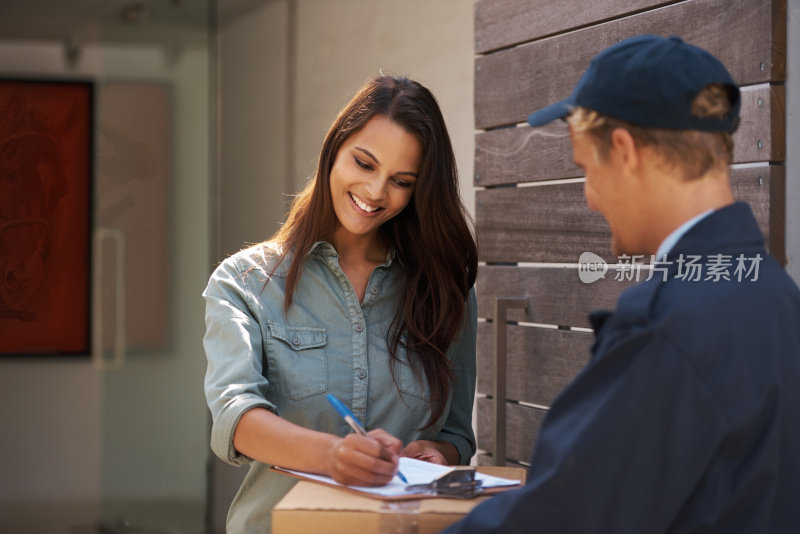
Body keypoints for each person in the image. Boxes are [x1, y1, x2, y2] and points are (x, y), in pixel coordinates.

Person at [444, 35, 800, 533]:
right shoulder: (779, 299)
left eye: (586, 170)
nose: (590, 199)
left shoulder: (669, 326)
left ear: (625, 150)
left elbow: (563, 518)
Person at [203, 75, 478, 533]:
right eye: (365, 163)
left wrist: (438, 454)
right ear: (334, 148)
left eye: (401, 181)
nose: (375, 192)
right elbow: (237, 418)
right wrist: (333, 456)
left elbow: (455, 433)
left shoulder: (444, 287)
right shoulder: (243, 282)